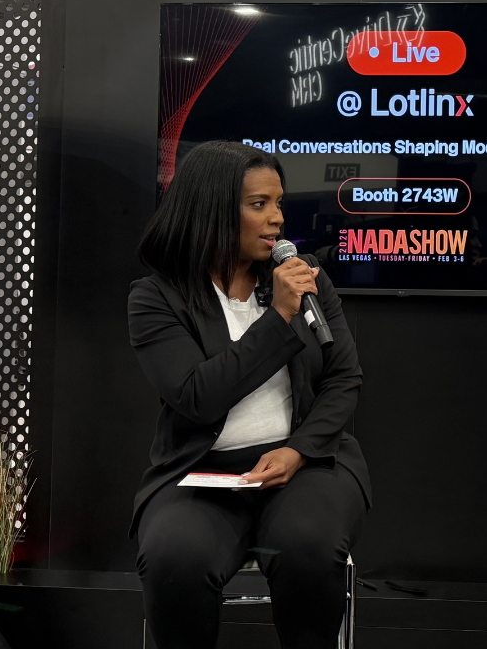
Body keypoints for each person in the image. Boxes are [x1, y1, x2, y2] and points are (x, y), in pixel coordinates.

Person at [128, 141, 371, 649]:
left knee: (307, 547)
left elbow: (343, 379)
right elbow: (197, 396)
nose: (277, 218)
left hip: (305, 464)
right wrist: (277, 317)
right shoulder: (156, 297)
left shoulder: (305, 279)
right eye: (259, 204)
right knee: (175, 557)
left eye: (278, 203)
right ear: (213, 208)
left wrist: (298, 451)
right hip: (203, 471)